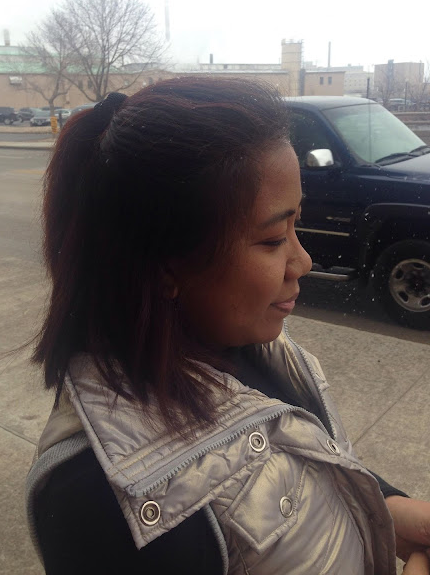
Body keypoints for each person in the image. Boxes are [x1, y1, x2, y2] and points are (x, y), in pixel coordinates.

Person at [26, 77, 430, 574]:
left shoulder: (249, 345)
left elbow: (303, 470)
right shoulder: (103, 502)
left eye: (297, 225)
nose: (303, 261)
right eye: (272, 239)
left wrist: (386, 506)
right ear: (166, 266)